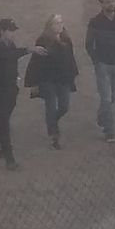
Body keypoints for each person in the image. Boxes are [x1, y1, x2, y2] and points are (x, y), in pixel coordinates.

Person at [0, 18, 46, 170]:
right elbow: (10, 56)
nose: (13, 34)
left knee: (0, 120)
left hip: (10, 90)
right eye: (10, 31)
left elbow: (13, 54)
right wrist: (30, 49)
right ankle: (9, 159)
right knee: (4, 123)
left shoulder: (9, 45)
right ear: (2, 31)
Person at [24, 14, 79, 150]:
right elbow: (35, 62)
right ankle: (54, 134)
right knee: (51, 104)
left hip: (63, 78)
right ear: (50, 25)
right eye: (56, 23)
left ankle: (53, 122)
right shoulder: (43, 40)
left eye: (61, 22)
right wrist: (34, 83)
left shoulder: (66, 39)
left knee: (64, 106)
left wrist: (72, 75)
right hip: (47, 78)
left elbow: (70, 59)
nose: (60, 25)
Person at [85, 0, 115, 143]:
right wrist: (96, 61)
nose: (111, 4)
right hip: (103, 65)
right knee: (106, 98)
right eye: (107, 2)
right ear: (101, 4)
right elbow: (89, 44)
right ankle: (109, 132)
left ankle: (102, 116)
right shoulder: (95, 22)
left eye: (112, 1)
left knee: (113, 97)